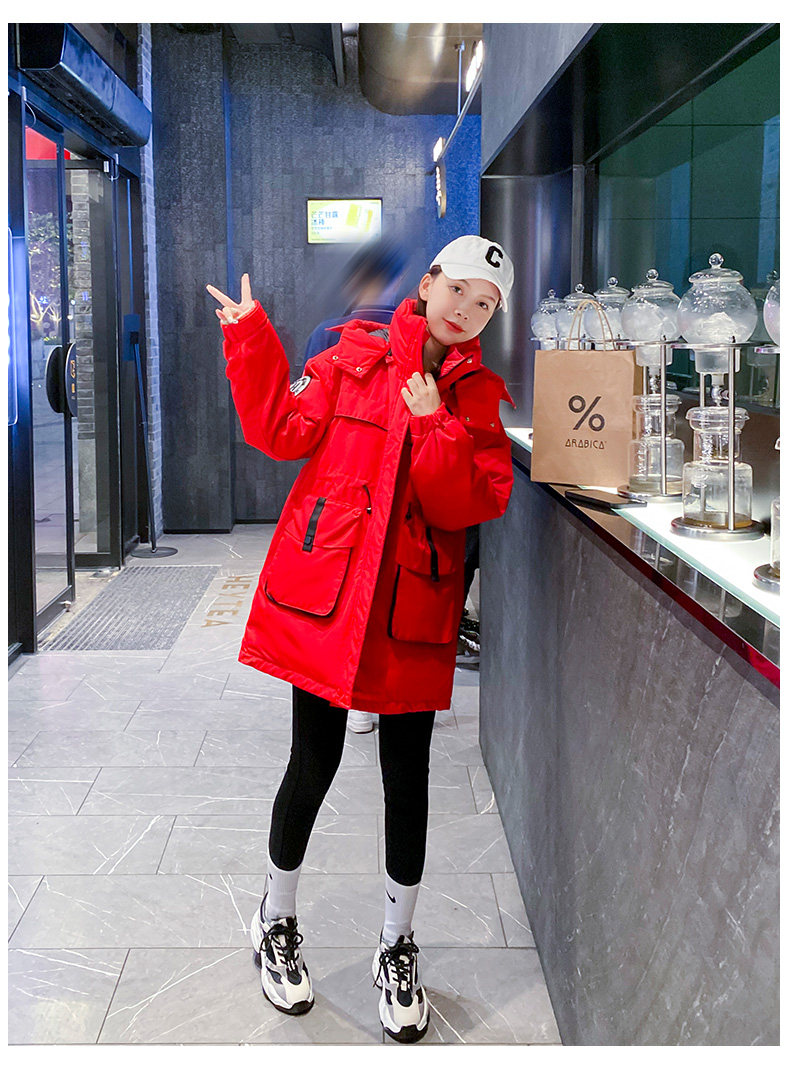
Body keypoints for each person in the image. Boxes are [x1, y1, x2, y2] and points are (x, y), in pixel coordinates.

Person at [206, 235, 515, 1043]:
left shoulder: (479, 398)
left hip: (411, 612)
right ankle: (274, 921)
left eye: (486, 304)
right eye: (459, 289)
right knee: (312, 763)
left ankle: (396, 945)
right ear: (429, 283)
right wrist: (251, 337)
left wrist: (435, 424)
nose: (467, 309)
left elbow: (468, 503)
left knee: (407, 780)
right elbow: (280, 428)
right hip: (333, 599)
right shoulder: (353, 357)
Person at [301, 236, 408, 734]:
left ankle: (346, 696)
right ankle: (379, 696)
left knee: (336, 595)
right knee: (386, 591)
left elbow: (303, 418)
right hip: (398, 490)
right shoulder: (417, 335)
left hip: (336, 492)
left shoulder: (327, 335)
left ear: (353, 281)